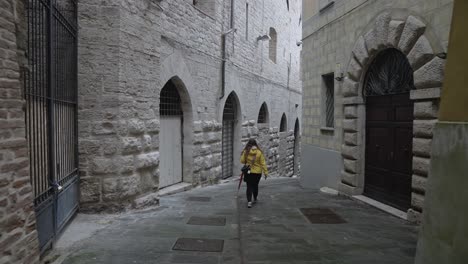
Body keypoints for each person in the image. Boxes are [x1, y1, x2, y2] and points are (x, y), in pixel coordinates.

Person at [240, 139, 268, 208]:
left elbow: (242, 161)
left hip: (248, 172)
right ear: (255, 144)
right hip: (257, 173)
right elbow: (263, 163)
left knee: (249, 186)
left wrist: (245, 155)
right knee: (255, 185)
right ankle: (255, 198)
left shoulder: (246, 151)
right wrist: (265, 172)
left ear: (248, 144)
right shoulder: (259, 152)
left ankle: (249, 201)